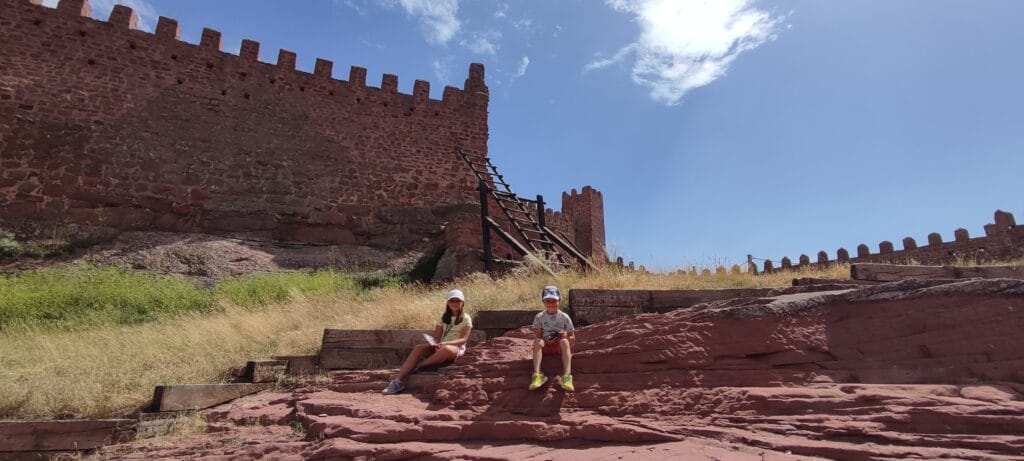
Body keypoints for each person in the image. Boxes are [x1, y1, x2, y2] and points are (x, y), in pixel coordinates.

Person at [383, 289, 474, 395]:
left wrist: (444, 344)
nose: (454, 303)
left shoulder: (466, 318)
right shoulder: (443, 317)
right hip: (441, 345)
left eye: (457, 301)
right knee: (418, 348)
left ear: (462, 303)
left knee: (446, 349)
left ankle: (419, 366)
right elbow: (437, 336)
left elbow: (463, 339)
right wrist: (434, 343)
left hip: (455, 348)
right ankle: (397, 382)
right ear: (448, 303)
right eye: (451, 301)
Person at [529, 285, 576, 391]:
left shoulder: (564, 317)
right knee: (537, 341)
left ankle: (567, 377)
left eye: (554, 300)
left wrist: (565, 336)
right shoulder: (539, 317)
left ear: (559, 300)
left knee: (564, 342)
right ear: (543, 302)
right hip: (546, 346)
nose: (551, 304)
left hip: (558, 346)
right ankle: (537, 375)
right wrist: (547, 341)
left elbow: (572, 339)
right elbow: (538, 336)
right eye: (548, 301)